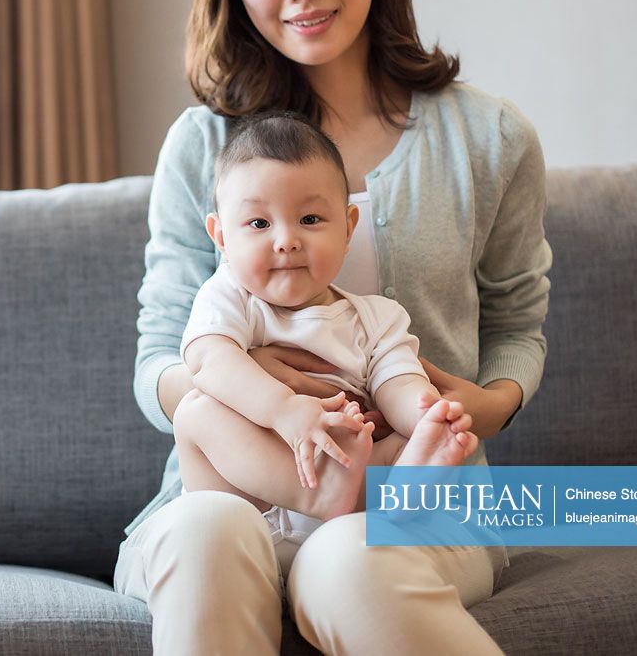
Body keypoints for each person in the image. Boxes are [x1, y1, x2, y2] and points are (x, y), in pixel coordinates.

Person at [113, 0, 552, 655]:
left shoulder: (488, 139)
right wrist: (254, 384)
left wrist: (483, 406)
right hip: (223, 492)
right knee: (210, 535)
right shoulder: (200, 147)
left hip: (413, 496)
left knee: (350, 558)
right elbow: (157, 362)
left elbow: (517, 322)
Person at [174, 112, 481, 562]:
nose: (286, 241)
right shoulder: (230, 298)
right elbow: (207, 360)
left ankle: (404, 486)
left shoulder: (376, 318)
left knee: (396, 441)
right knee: (196, 411)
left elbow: (396, 380)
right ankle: (315, 494)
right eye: (259, 224)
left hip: (346, 510)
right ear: (221, 236)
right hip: (245, 514)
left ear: (349, 226)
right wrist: (283, 410)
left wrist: (425, 417)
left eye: (310, 218)